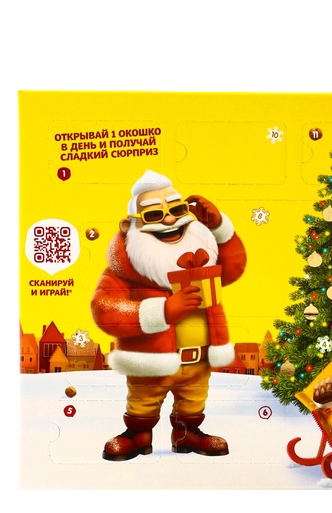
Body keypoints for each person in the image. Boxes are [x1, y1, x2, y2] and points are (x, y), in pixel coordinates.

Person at [91, 170, 247, 460]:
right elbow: (105, 309)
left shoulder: (203, 257)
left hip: (199, 358)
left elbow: (234, 268)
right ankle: (138, 435)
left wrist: (220, 228)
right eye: (154, 214)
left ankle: (188, 433)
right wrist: (161, 311)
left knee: (194, 400)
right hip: (151, 362)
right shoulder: (125, 270)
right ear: (129, 225)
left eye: (177, 210)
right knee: (143, 403)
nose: (169, 220)